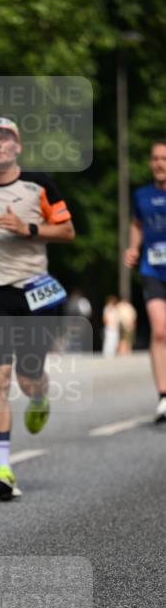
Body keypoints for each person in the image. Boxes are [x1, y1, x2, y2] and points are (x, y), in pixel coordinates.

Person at [0, 116, 75, 500]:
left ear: (17, 146)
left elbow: (68, 231)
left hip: (35, 290)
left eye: (4, 138)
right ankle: (3, 468)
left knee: (27, 377)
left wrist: (30, 229)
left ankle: (39, 394)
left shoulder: (39, 184)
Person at [123, 140, 166, 421]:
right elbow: (137, 224)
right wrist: (133, 247)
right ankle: (164, 395)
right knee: (160, 329)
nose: (159, 163)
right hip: (153, 269)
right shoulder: (141, 194)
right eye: (155, 158)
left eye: (164, 158)